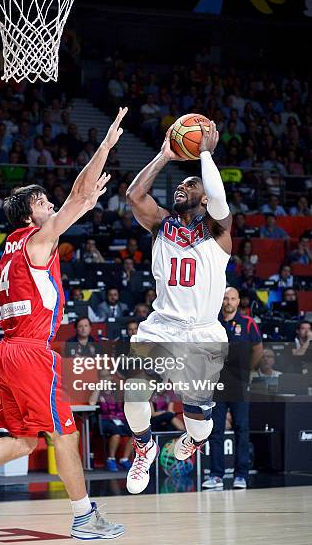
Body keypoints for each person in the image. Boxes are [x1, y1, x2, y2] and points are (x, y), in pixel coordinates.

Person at [0, 107, 128, 539]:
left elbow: (77, 200)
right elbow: (78, 196)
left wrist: (84, 199)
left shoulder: (13, 244)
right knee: (64, 434)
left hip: (6, 351)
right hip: (31, 350)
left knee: (24, 439)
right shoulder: (39, 239)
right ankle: (83, 517)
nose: (51, 204)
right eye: (43, 202)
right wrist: (105, 147)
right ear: (28, 216)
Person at [121, 121, 231, 495]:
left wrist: (204, 153)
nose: (182, 186)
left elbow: (217, 194)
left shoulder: (218, 232)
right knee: (133, 395)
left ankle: (195, 441)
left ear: (204, 199)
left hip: (202, 332)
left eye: (191, 184)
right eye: (180, 184)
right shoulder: (161, 226)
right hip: (161, 326)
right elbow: (135, 195)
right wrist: (166, 154)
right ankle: (144, 447)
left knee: (198, 422)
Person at [203, 287, 263, 490]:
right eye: (226, 298)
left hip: (239, 385)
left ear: (238, 301)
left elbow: (258, 349)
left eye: (232, 298)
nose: (229, 302)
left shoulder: (248, 323)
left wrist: (247, 372)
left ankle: (241, 476)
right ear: (221, 301)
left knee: (241, 429)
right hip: (216, 385)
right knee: (216, 430)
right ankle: (217, 476)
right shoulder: (212, 322)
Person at [89, 370, 133, 472]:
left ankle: (124, 459)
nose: (106, 379)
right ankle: (111, 459)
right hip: (105, 419)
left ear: (111, 377)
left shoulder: (117, 389)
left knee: (136, 433)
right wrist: (99, 387)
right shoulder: (98, 391)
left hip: (119, 418)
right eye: (103, 377)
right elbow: (91, 403)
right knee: (116, 432)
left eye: (107, 376)